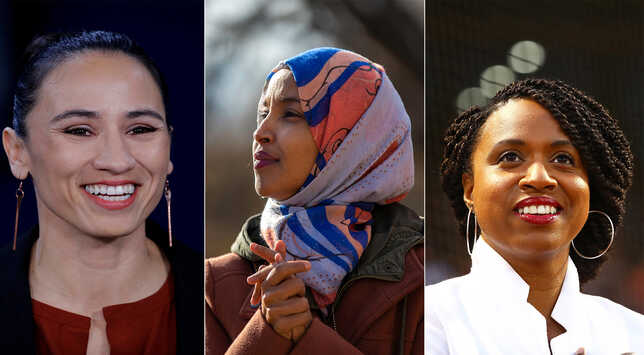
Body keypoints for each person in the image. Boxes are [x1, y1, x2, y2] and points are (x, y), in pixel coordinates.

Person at [0, 30, 202, 354]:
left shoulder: (225, 297)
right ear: (18, 151)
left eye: (141, 129)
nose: (117, 161)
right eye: (80, 130)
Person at [205, 48, 423, 354]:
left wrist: (306, 334)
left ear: (353, 139)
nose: (261, 132)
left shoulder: (420, 276)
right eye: (264, 113)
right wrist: (266, 329)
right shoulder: (217, 283)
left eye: (291, 114)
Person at [428, 78, 642, 353]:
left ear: (592, 190)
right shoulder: (428, 321)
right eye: (511, 157)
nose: (540, 178)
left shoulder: (635, 334)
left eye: (563, 159)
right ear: (469, 189)